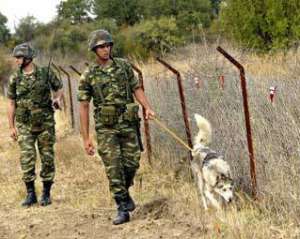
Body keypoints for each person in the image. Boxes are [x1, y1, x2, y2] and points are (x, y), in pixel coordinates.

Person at [78, 29, 155, 225]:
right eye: (101, 46)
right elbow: (84, 106)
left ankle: (124, 190)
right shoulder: (89, 75)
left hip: (128, 124)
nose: (106, 49)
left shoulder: (123, 66)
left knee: (132, 163)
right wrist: (86, 138)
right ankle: (122, 207)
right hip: (106, 129)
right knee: (113, 168)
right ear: (94, 50)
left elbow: (136, 88)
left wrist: (147, 107)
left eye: (108, 45)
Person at [7, 43, 63, 207]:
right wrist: (11, 126)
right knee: (27, 158)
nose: (16, 60)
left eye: (19, 57)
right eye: (16, 57)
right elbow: (11, 103)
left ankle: (46, 193)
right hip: (24, 124)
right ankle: (30, 193)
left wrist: (57, 100)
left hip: (45, 122)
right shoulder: (15, 78)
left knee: (47, 157)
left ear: (28, 58)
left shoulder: (45, 73)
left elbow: (59, 89)